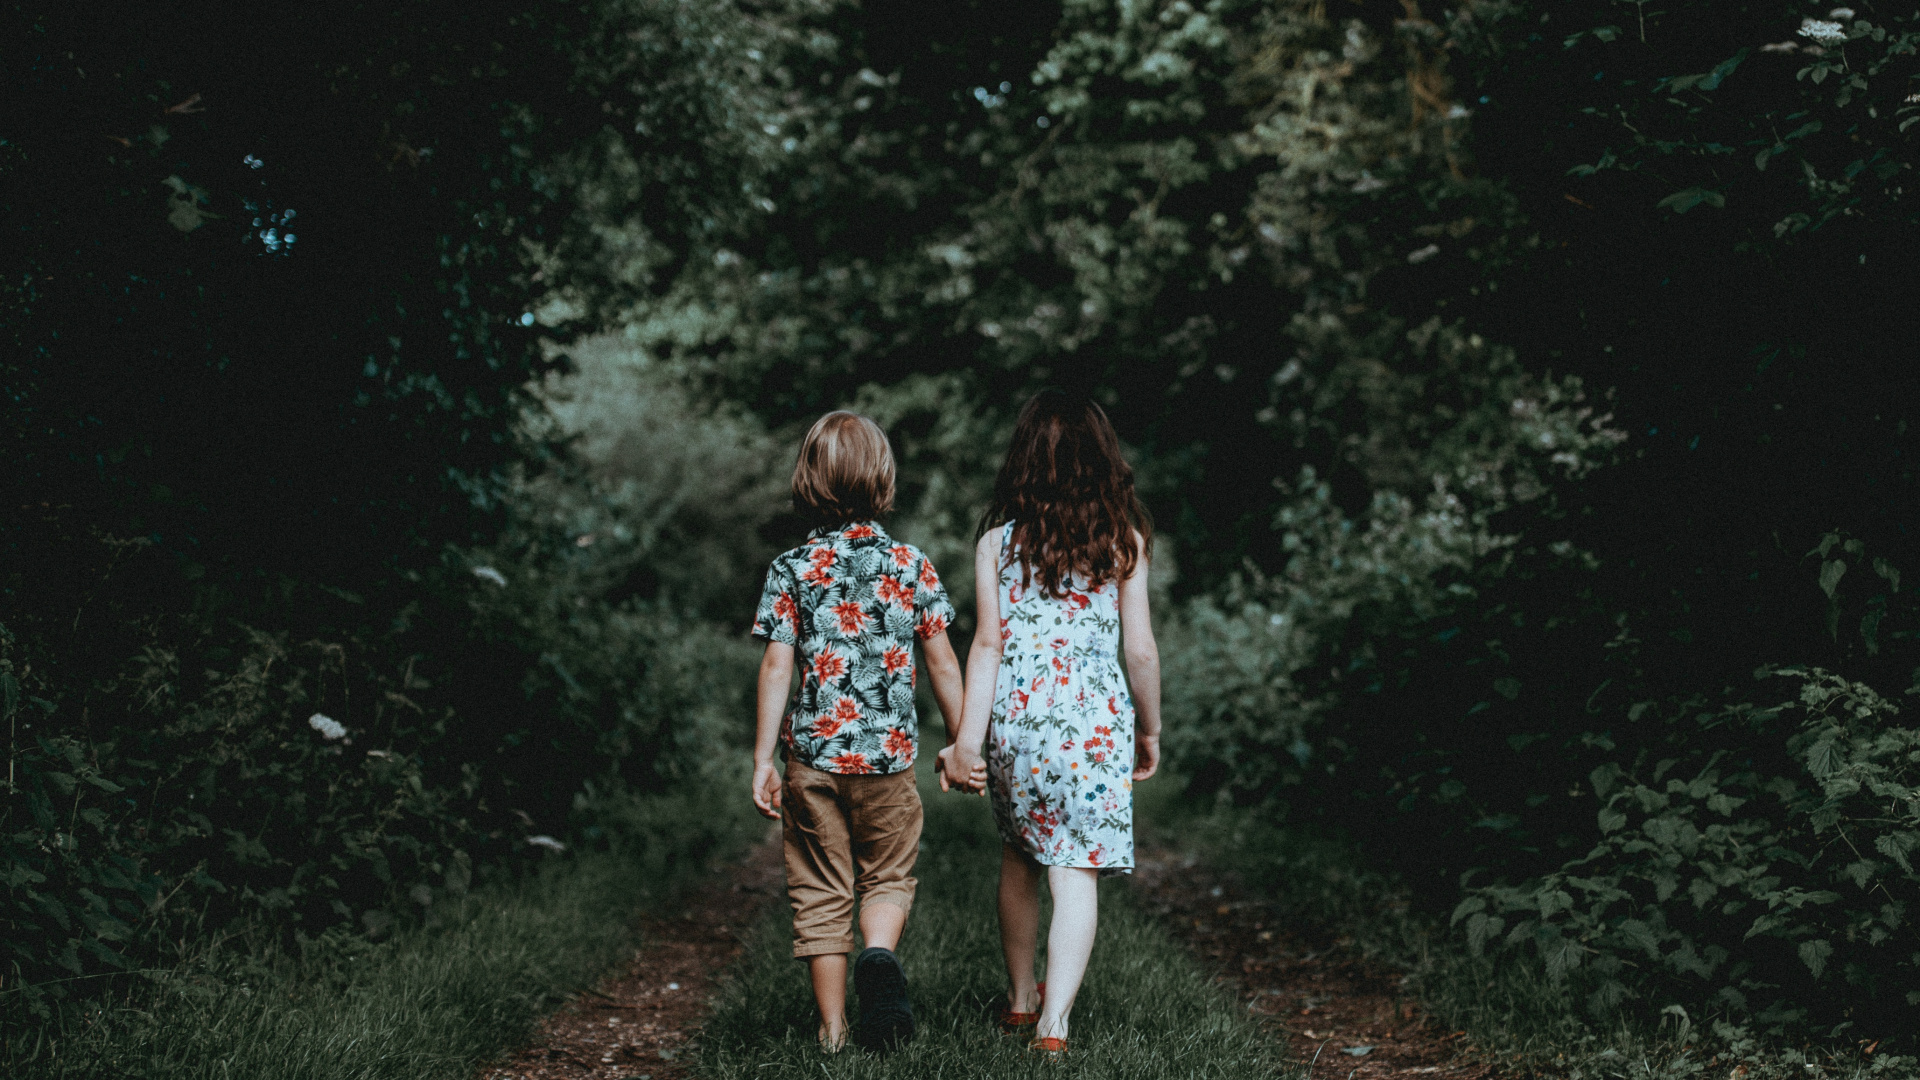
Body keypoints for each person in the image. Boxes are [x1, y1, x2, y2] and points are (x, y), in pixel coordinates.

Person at [939, 389, 1162, 1055]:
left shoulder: (998, 545)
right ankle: (1055, 1023)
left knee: (1020, 856)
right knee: (1075, 871)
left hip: (1018, 721)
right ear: (1103, 463)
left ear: (1026, 462)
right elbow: (1141, 649)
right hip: (1093, 724)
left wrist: (966, 744)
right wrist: (1150, 728)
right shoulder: (1124, 541)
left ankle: (1017, 998)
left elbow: (986, 646)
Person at [749, 410, 965, 1054]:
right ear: (883, 477)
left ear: (808, 479)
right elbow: (943, 660)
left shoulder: (791, 567)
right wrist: (960, 743)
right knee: (887, 876)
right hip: (889, 760)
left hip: (813, 762)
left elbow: (776, 665)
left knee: (818, 889)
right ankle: (878, 954)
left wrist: (763, 758)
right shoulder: (909, 564)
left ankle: (834, 1030)